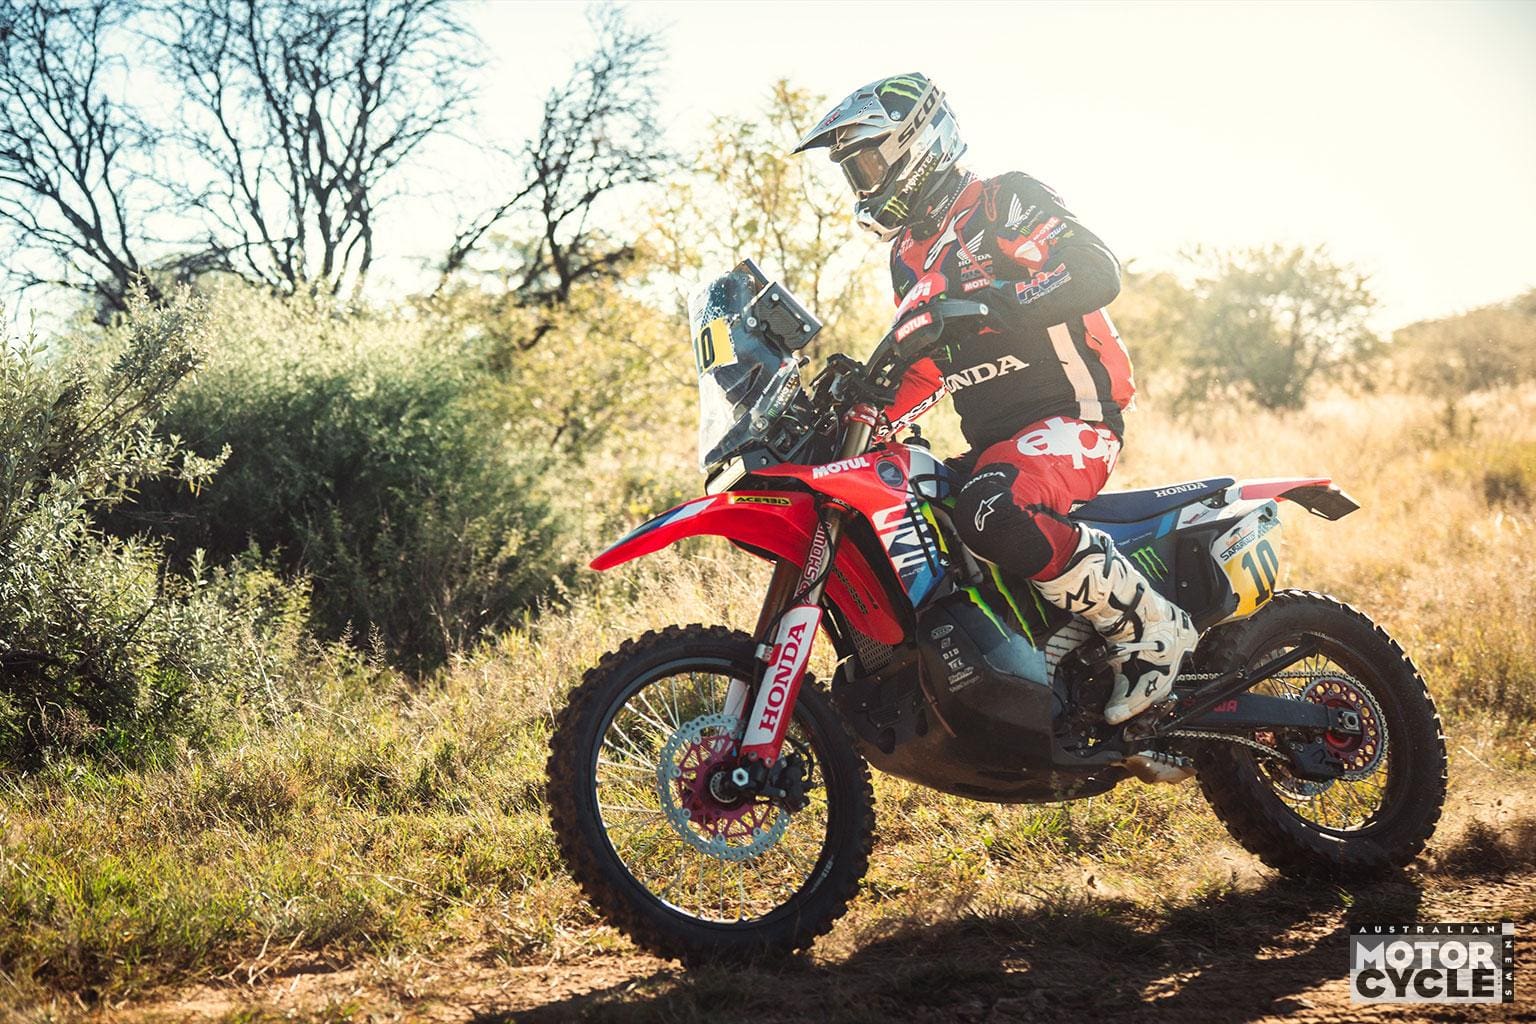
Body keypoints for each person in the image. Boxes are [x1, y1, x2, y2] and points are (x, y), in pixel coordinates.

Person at [793, 72, 1198, 742]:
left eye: (866, 163)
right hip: (998, 443)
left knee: (988, 507)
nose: (861, 183)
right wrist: (865, 411)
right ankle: (1034, 671)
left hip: (1075, 416)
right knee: (905, 504)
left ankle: (1151, 626)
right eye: (853, 171)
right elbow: (926, 360)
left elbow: (1094, 269)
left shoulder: (1003, 200)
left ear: (916, 143)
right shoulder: (906, 257)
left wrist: (1000, 301)